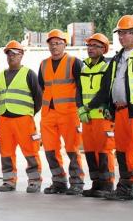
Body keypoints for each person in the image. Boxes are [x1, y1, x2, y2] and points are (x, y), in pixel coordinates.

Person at [87, 15, 133, 201]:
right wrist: (100, 105)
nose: (121, 37)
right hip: (120, 113)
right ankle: (125, 189)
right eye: (120, 33)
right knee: (123, 151)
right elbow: (107, 87)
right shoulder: (117, 58)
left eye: (126, 33)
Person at [38, 29, 85, 195]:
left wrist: (81, 109)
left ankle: (77, 182)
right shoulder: (43, 64)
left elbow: (81, 88)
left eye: (58, 43)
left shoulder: (74, 62)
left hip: (69, 113)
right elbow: (42, 88)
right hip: (48, 114)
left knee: (72, 149)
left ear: (65, 44)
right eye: (51, 44)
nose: (54, 46)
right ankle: (59, 182)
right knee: (50, 150)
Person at [0, 40, 43, 193]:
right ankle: (9, 181)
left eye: (15, 54)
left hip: (24, 119)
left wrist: (29, 112)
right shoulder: (1, 75)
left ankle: (34, 181)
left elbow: (38, 98)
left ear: (21, 55)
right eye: (9, 54)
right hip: (5, 119)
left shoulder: (29, 74)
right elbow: (0, 96)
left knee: (30, 151)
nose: (11, 57)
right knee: (6, 152)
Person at [77, 33, 116, 198]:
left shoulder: (106, 67)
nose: (91, 49)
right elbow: (78, 90)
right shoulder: (84, 67)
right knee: (90, 151)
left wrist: (87, 107)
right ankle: (96, 184)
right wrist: (79, 107)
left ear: (104, 49)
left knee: (104, 150)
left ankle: (107, 185)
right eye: (89, 46)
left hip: (101, 116)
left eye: (95, 46)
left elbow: (104, 91)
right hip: (87, 118)